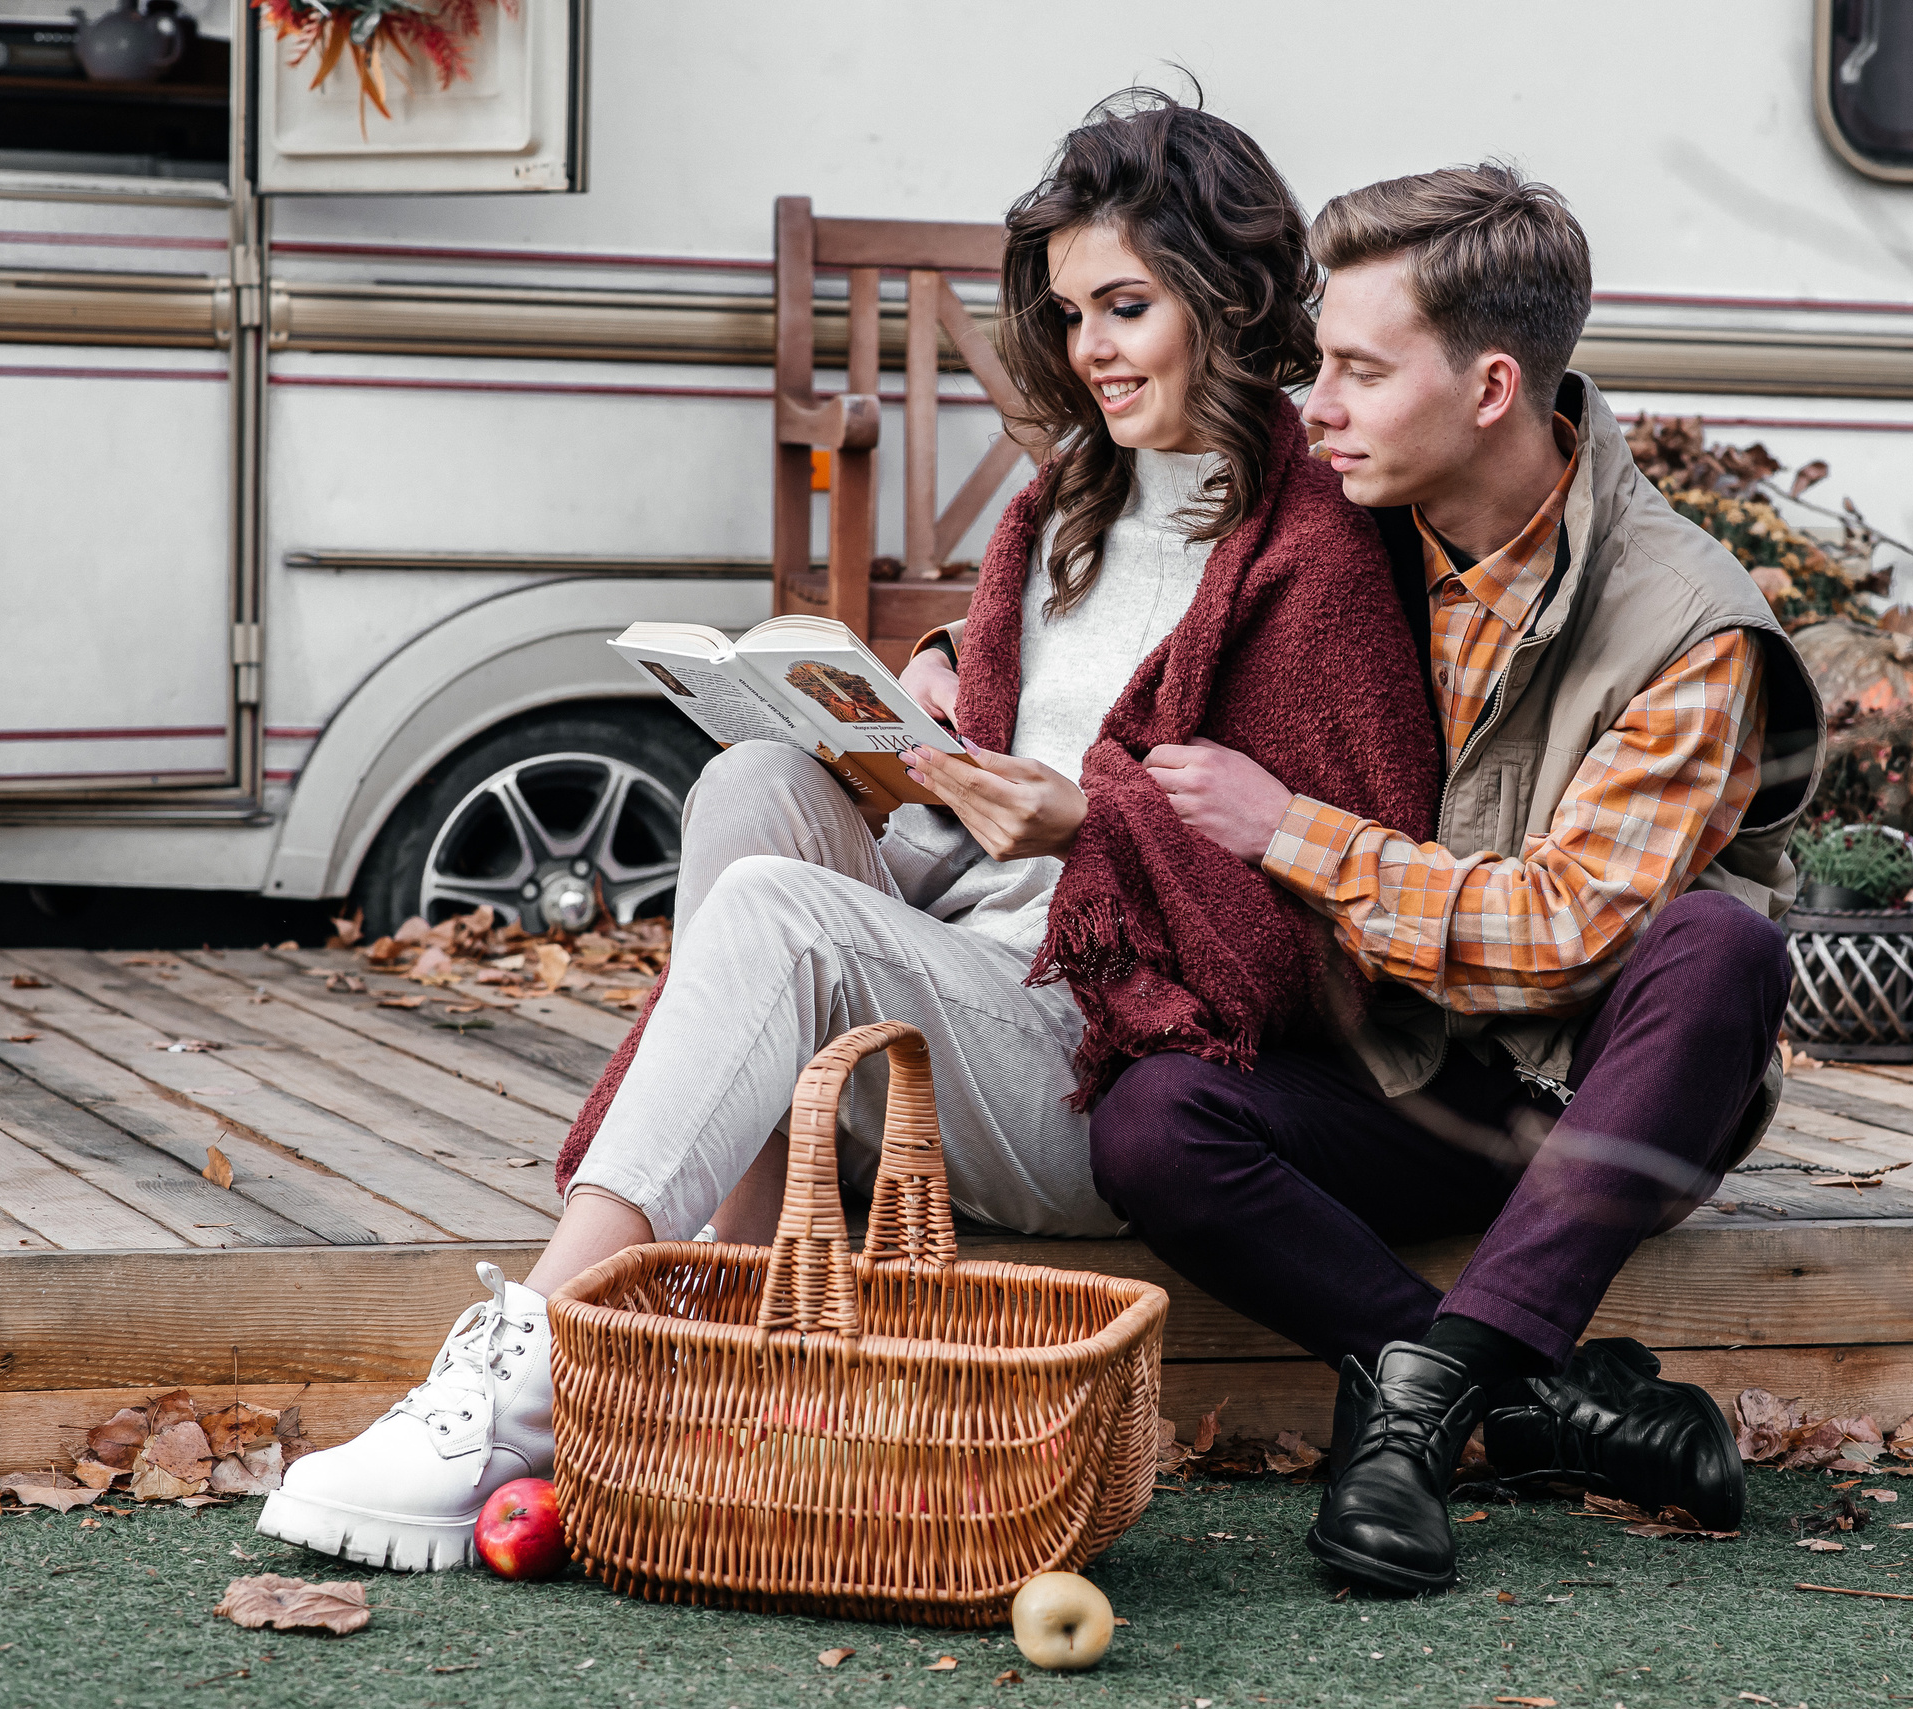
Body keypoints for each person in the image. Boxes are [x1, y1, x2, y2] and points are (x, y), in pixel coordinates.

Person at [257, 95, 1441, 1574]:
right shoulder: (1063, 501)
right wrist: (917, 725)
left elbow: (1320, 949)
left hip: (1115, 1054)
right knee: (753, 786)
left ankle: (540, 1369)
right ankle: (723, 1303)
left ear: (1228, 292)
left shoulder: (1314, 550)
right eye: (1072, 314)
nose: (1094, 350)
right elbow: (1009, 758)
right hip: (972, 961)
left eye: (1129, 307)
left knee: (779, 915)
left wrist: (1091, 821)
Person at [1089, 164, 1823, 1595]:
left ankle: (1411, 1415)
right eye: (1322, 366)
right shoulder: (1341, 528)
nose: (1322, 406)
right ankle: (1521, 1396)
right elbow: (1134, 592)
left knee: (1722, 950)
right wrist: (955, 662)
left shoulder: (1689, 628)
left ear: (1492, 386)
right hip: (1415, 1072)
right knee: (1155, 1121)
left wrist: (1292, 829)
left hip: (1603, 1103)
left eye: (1360, 371)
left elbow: (1559, 937)